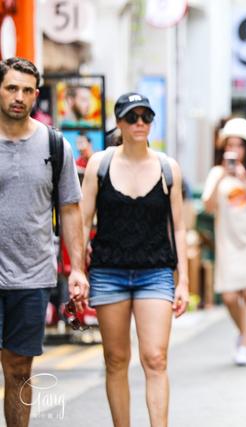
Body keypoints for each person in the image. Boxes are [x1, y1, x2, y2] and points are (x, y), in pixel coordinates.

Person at [80, 92, 189, 427]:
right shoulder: (100, 165)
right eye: (132, 117)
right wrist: (77, 272)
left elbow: (180, 228)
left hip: (155, 272)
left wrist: (183, 279)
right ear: (119, 123)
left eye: (146, 117)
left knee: (155, 358)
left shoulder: (168, 168)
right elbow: (83, 221)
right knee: (115, 359)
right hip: (108, 271)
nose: (140, 123)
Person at [0, 57, 89, 427]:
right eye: (11, 88)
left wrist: (79, 270)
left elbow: (70, 209)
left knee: (19, 370)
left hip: (32, 275)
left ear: (36, 95)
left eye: (26, 90)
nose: (18, 97)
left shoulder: (55, 145)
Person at [202, 117, 246, 366]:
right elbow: (207, 206)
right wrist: (220, 178)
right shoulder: (216, 173)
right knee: (228, 296)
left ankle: (244, 345)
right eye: (230, 144)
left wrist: (245, 181)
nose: (234, 150)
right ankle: (244, 333)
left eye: (239, 145)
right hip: (227, 242)